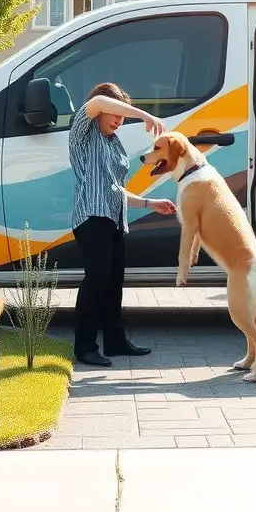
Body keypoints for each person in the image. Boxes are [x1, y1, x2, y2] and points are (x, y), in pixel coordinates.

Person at [70, 82, 177, 367]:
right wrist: (144, 115)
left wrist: (149, 203)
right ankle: (84, 347)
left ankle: (115, 342)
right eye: (115, 113)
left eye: (123, 117)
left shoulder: (113, 143)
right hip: (92, 218)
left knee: (113, 282)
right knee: (96, 281)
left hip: (115, 219)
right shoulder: (83, 132)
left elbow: (116, 189)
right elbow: (96, 104)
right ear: (102, 110)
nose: (120, 119)